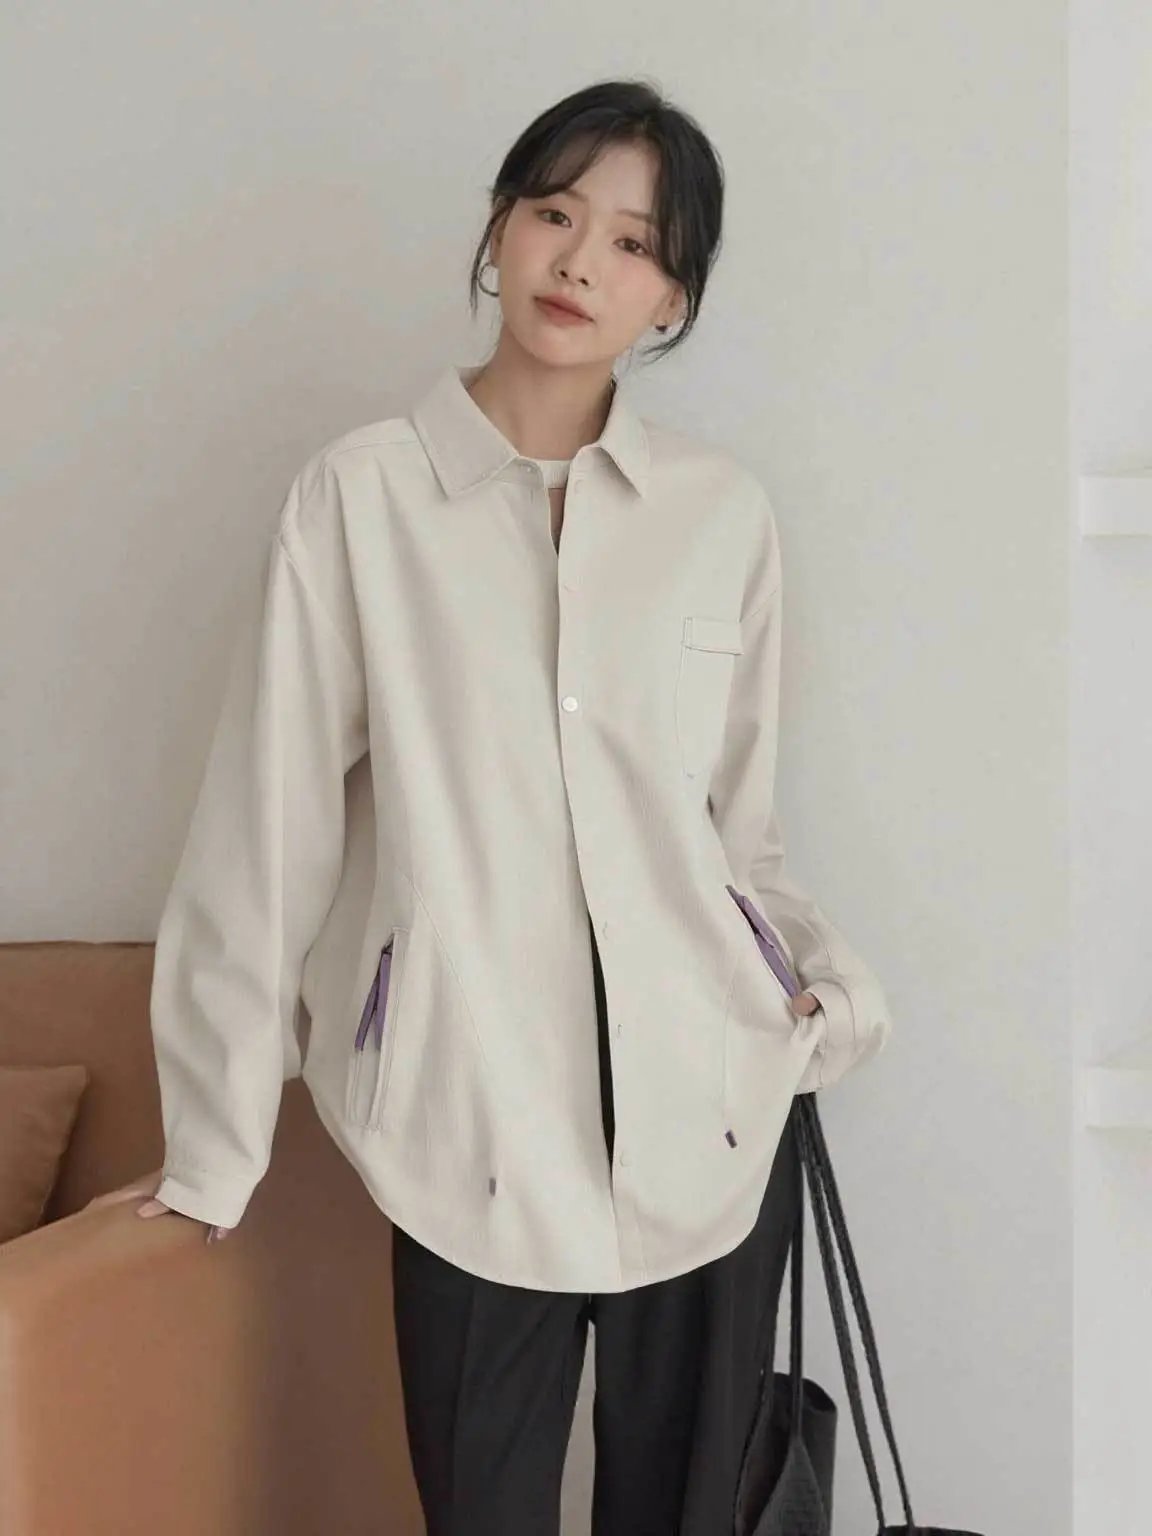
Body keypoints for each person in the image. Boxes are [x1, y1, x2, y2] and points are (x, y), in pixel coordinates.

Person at [97, 78, 893, 1535]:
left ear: (674, 297)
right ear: (499, 228)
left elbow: (736, 837)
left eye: (635, 244)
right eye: (554, 214)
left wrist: (818, 1000)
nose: (581, 262)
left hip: (713, 1127)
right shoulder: (360, 502)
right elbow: (263, 834)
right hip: (465, 1132)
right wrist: (213, 1146)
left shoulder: (720, 517)